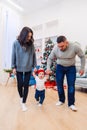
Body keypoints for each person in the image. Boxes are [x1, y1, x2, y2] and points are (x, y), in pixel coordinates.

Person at [46, 36, 85, 111]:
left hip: (71, 67)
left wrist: (82, 68)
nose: (60, 48)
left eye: (62, 46)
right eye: (59, 46)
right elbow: (50, 58)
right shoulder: (55, 48)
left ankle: (71, 104)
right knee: (59, 84)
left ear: (66, 42)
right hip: (60, 67)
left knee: (71, 85)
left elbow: (82, 56)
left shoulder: (74, 46)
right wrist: (48, 68)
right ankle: (61, 100)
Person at [11, 27, 37, 111]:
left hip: (28, 67)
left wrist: (35, 67)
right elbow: (13, 55)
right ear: (23, 35)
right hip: (18, 67)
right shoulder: (15, 43)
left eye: (30, 36)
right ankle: (21, 97)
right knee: (20, 85)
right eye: (28, 36)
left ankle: (23, 103)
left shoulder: (31, 44)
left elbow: (34, 56)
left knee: (26, 85)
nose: (29, 38)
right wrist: (13, 67)